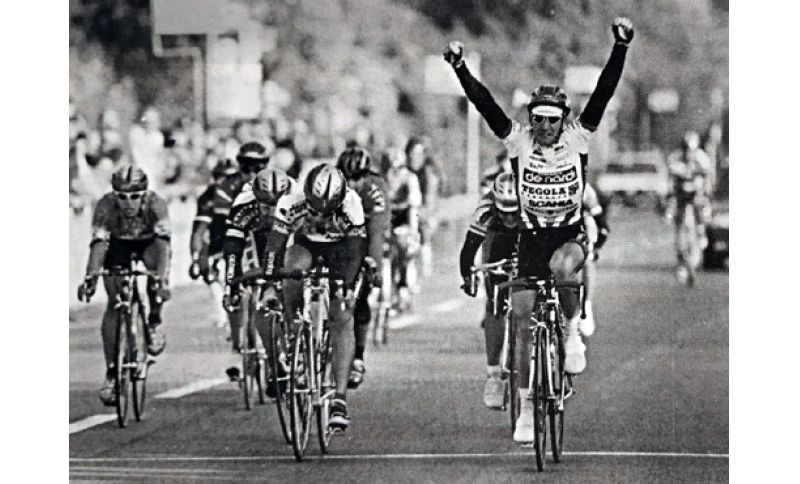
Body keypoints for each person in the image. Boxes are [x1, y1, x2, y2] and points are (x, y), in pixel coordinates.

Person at [444, 16, 633, 442]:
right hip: (530, 238)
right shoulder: (519, 141)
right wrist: (459, 68)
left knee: (564, 270)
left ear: (563, 119)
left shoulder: (578, 139)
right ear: (531, 118)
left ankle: (572, 333)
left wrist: (620, 47)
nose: (545, 127)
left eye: (552, 120)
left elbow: (603, 92)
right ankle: (527, 406)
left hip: (567, 234)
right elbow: (485, 105)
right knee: (522, 317)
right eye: (539, 119)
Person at [261, 164, 368, 431]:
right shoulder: (291, 200)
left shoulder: (352, 203)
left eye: (327, 210)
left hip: (340, 250)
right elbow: (274, 246)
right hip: (306, 245)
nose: (320, 215)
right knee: (291, 272)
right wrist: (271, 285)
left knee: (341, 315)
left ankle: (339, 399)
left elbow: (356, 251)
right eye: (314, 207)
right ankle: (294, 335)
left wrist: (347, 286)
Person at [77, 165, 172, 406]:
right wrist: (90, 277)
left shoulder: (156, 205)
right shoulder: (105, 205)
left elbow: (163, 246)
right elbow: (99, 245)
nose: (128, 203)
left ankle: (153, 321)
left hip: (149, 243)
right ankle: (112, 372)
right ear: (114, 195)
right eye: (122, 197)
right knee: (114, 302)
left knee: (156, 280)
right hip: (118, 245)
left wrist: (161, 278)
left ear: (144, 194)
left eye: (134, 197)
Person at [222, 167, 296, 393]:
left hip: (290, 238)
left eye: (275, 206)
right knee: (260, 296)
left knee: (290, 281)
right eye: (265, 207)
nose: (271, 213)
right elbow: (232, 247)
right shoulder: (243, 204)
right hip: (257, 239)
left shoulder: (298, 200)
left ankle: (296, 342)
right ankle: (274, 363)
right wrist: (232, 282)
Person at [459, 173, 522, 409]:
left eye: (513, 212)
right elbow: (469, 248)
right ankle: (494, 373)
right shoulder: (485, 209)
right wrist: (468, 277)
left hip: (529, 235)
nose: (509, 217)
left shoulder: (532, 203)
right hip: (499, 242)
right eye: (504, 212)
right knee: (495, 299)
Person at [337, 146, 390, 389]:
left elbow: (376, 233)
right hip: (339, 238)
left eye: (357, 178)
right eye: (347, 177)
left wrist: (374, 267)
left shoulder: (375, 189)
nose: (351, 183)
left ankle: (357, 357)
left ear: (366, 175)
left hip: (366, 237)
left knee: (360, 296)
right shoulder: (333, 184)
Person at [189, 159, 240, 330]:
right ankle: (222, 311)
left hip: (242, 238)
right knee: (208, 270)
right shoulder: (207, 197)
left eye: (229, 178)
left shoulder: (245, 192)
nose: (221, 182)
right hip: (218, 240)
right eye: (218, 177)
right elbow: (198, 231)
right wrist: (196, 258)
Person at [666, 130, 713, 275]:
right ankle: (680, 248)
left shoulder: (701, 156)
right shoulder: (676, 157)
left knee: (700, 204)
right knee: (677, 214)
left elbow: (707, 173)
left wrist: (705, 188)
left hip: (696, 191)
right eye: (687, 149)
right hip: (681, 193)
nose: (689, 154)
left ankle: (701, 230)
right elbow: (671, 173)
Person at [384, 147, 423, 311]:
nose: (395, 173)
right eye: (392, 168)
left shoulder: (410, 178)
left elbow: (414, 208)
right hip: (388, 217)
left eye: (398, 168)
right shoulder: (384, 178)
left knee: (404, 249)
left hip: (405, 217)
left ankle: (405, 284)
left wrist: (413, 232)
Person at [405, 137, 442, 278]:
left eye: (420, 154)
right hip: (406, 211)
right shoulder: (404, 171)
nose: (416, 157)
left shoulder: (428, 173)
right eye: (413, 153)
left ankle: (426, 269)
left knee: (424, 233)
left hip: (423, 211)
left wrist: (427, 216)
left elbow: (431, 197)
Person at [579, 183, 610, 337]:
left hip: (576, 226)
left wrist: (600, 237)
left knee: (587, 258)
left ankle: (586, 305)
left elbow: (600, 223)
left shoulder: (582, 186)